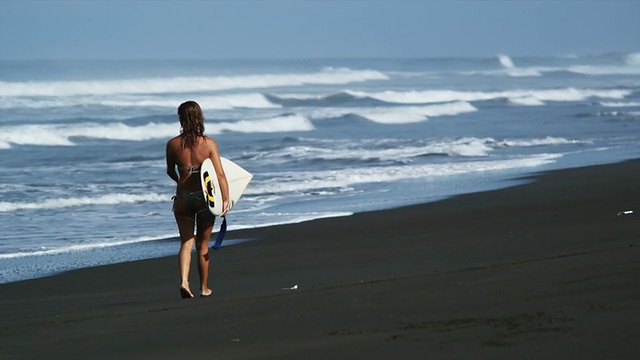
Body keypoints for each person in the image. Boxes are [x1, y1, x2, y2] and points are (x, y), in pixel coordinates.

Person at [166, 101, 230, 298]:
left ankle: (185, 282)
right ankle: (203, 288)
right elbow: (219, 175)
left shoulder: (173, 144)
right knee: (202, 245)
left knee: (186, 242)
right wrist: (226, 198)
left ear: (181, 119)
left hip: (183, 199)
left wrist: (181, 182)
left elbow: (170, 171)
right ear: (199, 117)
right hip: (204, 200)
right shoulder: (209, 144)